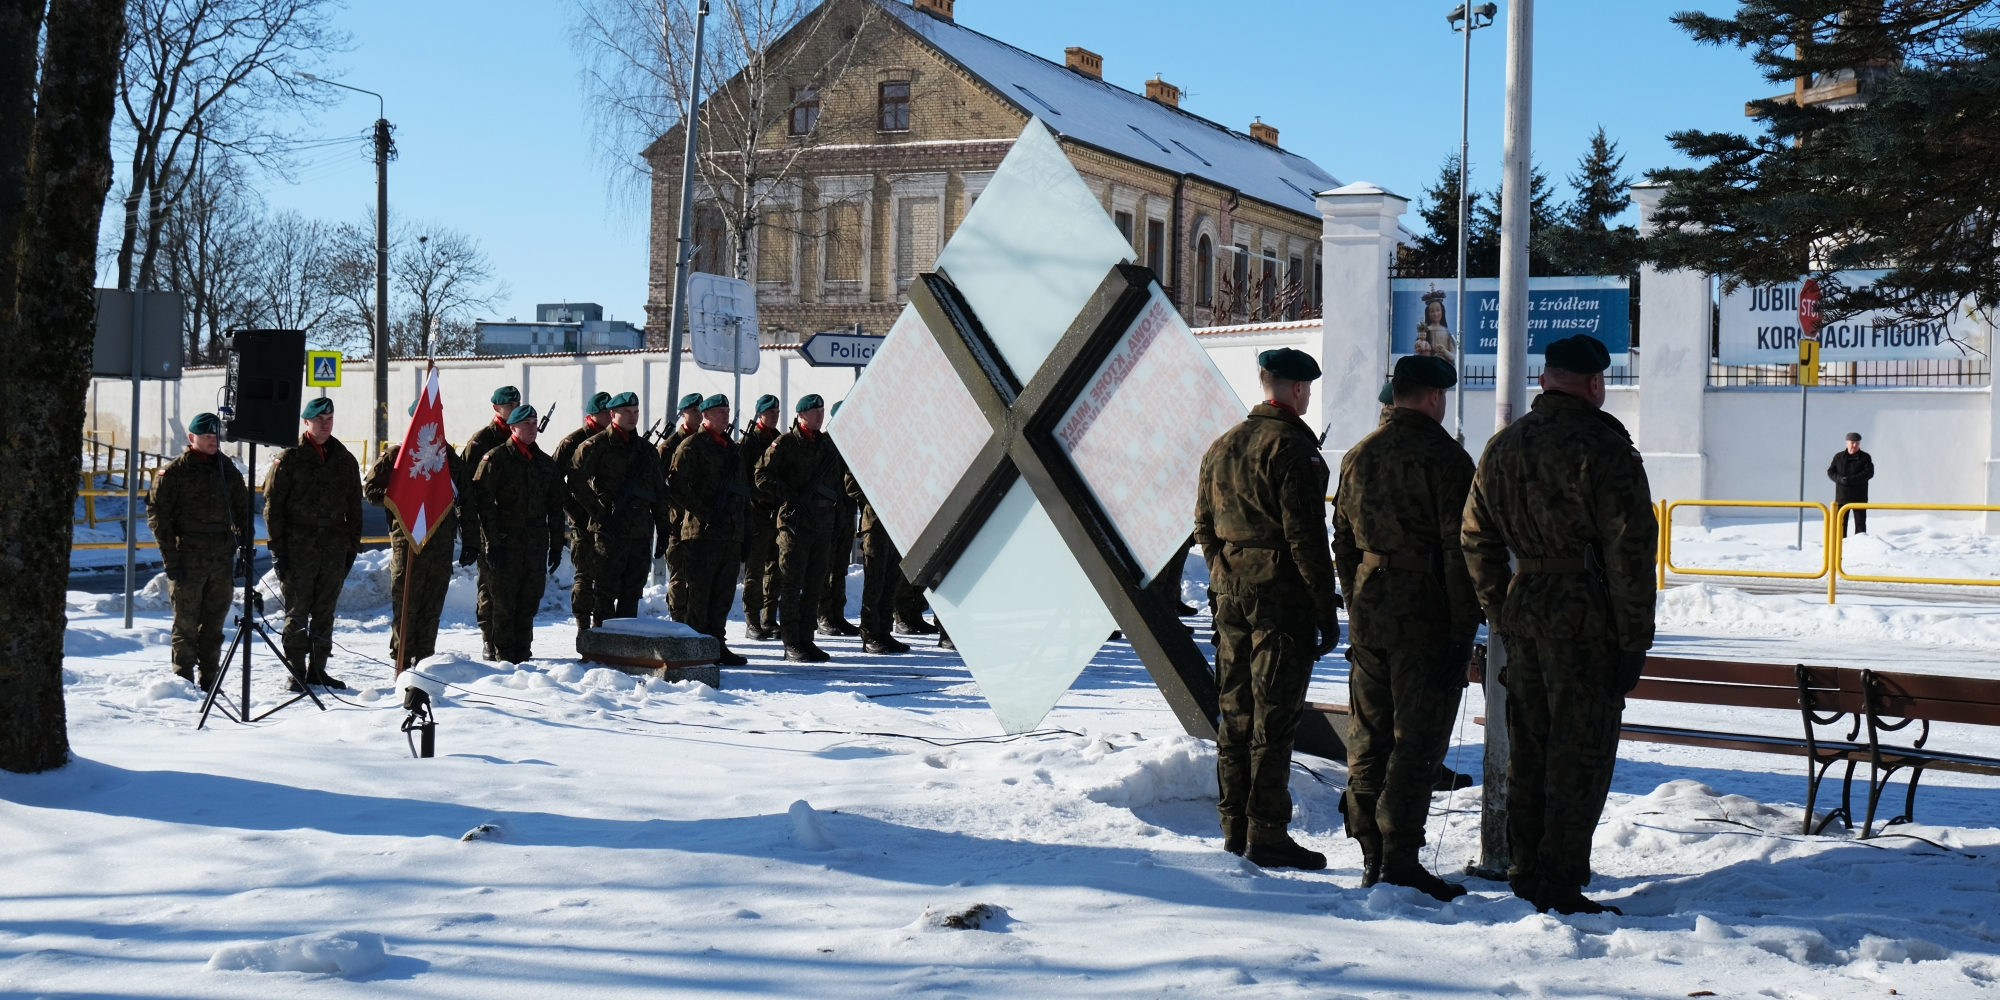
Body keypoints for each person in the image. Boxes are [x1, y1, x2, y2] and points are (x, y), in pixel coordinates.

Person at [1462, 334, 1657, 916]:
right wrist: (1633, 639)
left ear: (1546, 379)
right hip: (1587, 621)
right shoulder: (1604, 447)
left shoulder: (1504, 447)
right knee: (1581, 754)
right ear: (1596, 384)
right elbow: (1629, 552)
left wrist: (1501, 605)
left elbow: (1475, 537)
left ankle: (1526, 868)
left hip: (1524, 619)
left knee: (1531, 747)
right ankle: (1561, 880)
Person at [1331, 354, 1480, 901]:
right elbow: (1459, 551)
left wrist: (1357, 596)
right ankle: (1399, 859)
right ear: (1436, 397)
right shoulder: (1446, 458)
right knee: (1416, 742)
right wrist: (1463, 629)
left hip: (1371, 614)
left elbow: (1342, 538)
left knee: (1368, 739)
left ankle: (1371, 853)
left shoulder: (1357, 455)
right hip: (1427, 618)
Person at [1194, 347, 1341, 870]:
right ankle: (1268, 834)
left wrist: (1224, 571)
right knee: (1273, 719)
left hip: (1230, 596)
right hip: (1280, 599)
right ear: (1298, 389)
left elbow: (1204, 526)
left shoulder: (1224, 444)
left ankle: (1234, 828)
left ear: (1265, 384)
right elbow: (1306, 538)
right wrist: (1324, 608)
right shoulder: (1293, 450)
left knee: (1233, 714)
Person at [364, 401, 472, 669]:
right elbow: (371, 490)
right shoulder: (397, 455)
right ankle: (401, 659)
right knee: (406, 601)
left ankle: (424, 661)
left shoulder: (449, 457)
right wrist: (404, 499)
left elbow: (466, 494)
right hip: (408, 539)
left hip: (442, 540)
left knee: (433, 601)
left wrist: (470, 538)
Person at [263, 397, 362, 690]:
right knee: (297, 611)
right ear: (306, 422)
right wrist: (277, 551)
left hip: (334, 546)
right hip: (298, 547)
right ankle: (295, 669)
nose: (325, 425)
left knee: (324, 611)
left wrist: (351, 548)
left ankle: (318, 669)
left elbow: (355, 508)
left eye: (330, 419)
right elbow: (273, 508)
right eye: (319, 420)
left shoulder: (344, 459)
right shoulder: (289, 458)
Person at [147, 412, 249, 691]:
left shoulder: (227, 469)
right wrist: (170, 558)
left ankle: (209, 679)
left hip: (220, 556)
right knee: (186, 625)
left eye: (216, 436)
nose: (213, 441)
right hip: (187, 557)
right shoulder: (175, 472)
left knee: (215, 624)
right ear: (192, 438)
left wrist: (245, 551)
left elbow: (243, 512)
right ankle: (183, 679)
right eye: (206, 437)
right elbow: (158, 517)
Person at [472, 405, 566, 664]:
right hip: (505, 541)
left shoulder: (546, 464)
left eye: (534, 423)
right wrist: (491, 543)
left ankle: (523, 657)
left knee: (529, 602)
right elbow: (483, 505)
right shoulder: (496, 459)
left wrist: (557, 544)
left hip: (535, 544)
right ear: (512, 428)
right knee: (503, 603)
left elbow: (556, 508)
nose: (532, 428)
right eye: (525, 424)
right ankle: (504, 659)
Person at [755, 394, 845, 662]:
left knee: (815, 584)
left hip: (822, 524)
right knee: (792, 585)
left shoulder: (828, 444)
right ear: (800, 415)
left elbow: (837, 482)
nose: (820, 415)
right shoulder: (785, 443)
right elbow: (761, 476)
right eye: (814, 411)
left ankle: (808, 638)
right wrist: (791, 495)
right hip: (795, 526)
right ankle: (791, 642)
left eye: (822, 410)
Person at [669, 394, 752, 666]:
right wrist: (705, 513)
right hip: (701, 534)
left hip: (730, 533)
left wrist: (746, 531)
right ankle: (696, 648)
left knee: (723, 595)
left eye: (727, 411)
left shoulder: (732, 449)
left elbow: (743, 493)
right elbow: (677, 487)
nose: (725, 416)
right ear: (704, 415)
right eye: (718, 411)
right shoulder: (691, 447)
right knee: (699, 596)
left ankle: (717, 643)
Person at [575, 392, 669, 622]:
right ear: (612, 414)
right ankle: (602, 645)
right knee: (605, 593)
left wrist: (664, 528)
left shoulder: (646, 450)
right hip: (610, 531)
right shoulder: (595, 446)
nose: (632, 416)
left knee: (632, 594)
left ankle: (626, 645)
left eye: (636, 412)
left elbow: (658, 491)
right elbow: (575, 482)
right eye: (626, 412)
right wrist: (599, 515)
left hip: (639, 532)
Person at [461, 385, 521, 659]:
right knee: (489, 585)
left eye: (517, 403)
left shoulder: (523, 436)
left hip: (515, 528)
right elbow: (468, 489)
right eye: (508, 405)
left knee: (514, 587)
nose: (513, 408)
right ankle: (489, 639)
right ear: (496, 409)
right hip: (488, 526)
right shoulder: (482, 441)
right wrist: (475, 533)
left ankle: (511, 640)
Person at [554, 391, 614, 645]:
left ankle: (602, 626)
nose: (608, 417)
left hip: (607, 520)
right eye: (604, 413)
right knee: (585, 574)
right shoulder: (574, 442)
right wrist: (575, 511)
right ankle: (582, 625)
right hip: (581, 519)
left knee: (606, 574)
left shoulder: (612, 440)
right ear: (592, 415)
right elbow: (556, 481)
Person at [848, 471, 911, 655]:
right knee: (874, 583)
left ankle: (884, 632)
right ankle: (869, 636)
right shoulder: (869, 453)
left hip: (898, 524)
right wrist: (881, 499)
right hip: (875, 526)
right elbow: (851, 485)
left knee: (892, 583)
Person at [740, 395, 785, 640]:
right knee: (754, 571)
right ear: (759, 414)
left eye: (777, 411)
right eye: (770, 412)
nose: (775, 415)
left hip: (777, 515)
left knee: (775, 570)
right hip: (757, 514)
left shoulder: (779, 440)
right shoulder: (748, 443)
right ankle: (752, 621)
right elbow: (746, 480)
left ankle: (769, 618)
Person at [659, 392, 704, 618]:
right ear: (682, 414)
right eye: (693, 410)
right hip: (677, 521)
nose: (698, 414)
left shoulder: (706, 443)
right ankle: (678, 618)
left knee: (699, 576)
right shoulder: (669, 447)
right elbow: (660, 486)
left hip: (702, 523)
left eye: (700, 410)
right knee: (679, 574)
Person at [819, 402, 861, 638]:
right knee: (825, 568)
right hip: (828, 515)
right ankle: (824, 616)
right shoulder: (824, 444)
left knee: (840, 569)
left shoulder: (850, 446)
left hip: (846, 515)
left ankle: (837, 614)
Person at [1828, 432, 1875, 536]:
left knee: (1860, 523)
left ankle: (1860, 544)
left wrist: (1851, 480)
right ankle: (1840, 545)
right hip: (1842, 496)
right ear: (1846, 443)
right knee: (1840, 523)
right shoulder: (1838, 457)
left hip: (1859, 496)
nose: (1855, 445)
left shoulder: (1865, 457)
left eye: (1857, 443)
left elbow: (1868, 473)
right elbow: (1831, 472)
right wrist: (1841, 479)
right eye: (1852, 443)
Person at [1413, 289, 1455, 364]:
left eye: (1438, 310)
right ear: (1428, 313)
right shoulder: (1425, 331)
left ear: (1442, 311)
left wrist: (1444, 351)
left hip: (1443, 368)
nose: (1435, 314)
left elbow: (1453, 357)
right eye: (1432, 311)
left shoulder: (1446, 332)